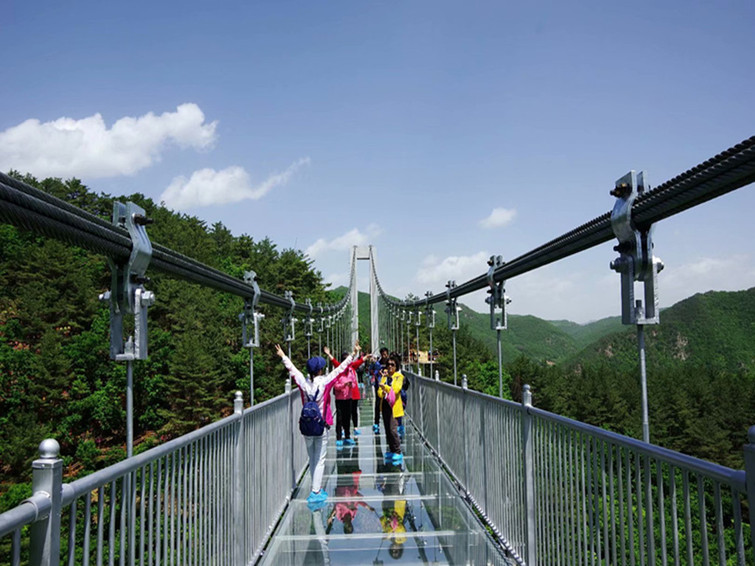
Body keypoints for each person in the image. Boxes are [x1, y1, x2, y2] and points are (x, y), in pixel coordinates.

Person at [275, 341, 359, 504]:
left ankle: (315, 487)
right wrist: (353, 355)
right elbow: (340, 369)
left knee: (312, 458)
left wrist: (284, 356)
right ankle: (315, 491)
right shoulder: (325, 382)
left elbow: (293, 371)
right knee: (320, 459)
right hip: (321, 426)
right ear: (320, 369)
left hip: (306, 426)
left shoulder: (304, 383)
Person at [324, 345, 364, 447]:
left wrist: (351, 385)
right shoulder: (338, 372)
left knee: (347, 417)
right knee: (340, 418)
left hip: (349, 397)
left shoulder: (351, 371)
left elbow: (354, 383)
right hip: (340, 398)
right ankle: (338, 438)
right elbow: (336, 386)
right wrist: (344, 385)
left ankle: (347, 436)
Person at [377, 354, 404, 464]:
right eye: (388, 364)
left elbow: (396, 389)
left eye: (392, 365)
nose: (390, 367)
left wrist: (386, 388)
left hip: (393, 406)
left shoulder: (399, 377)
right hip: (385, 405)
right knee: (387, 429)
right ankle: (391, 450)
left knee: (393, 429)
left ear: (396, 366)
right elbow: (379, 391)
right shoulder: (384, 376)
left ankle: (397, 451)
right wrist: (383, 391)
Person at [371, 347, 391, 433]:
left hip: (388, 386)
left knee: (389, 403)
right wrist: (377, 372)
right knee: (378, 403)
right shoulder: (377, 363)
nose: (384, 356)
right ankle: (376, 422)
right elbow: (371, 371)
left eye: (385, 354)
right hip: (379, 385)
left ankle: (390, 421)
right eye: (383, 354)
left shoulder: (390, 363)